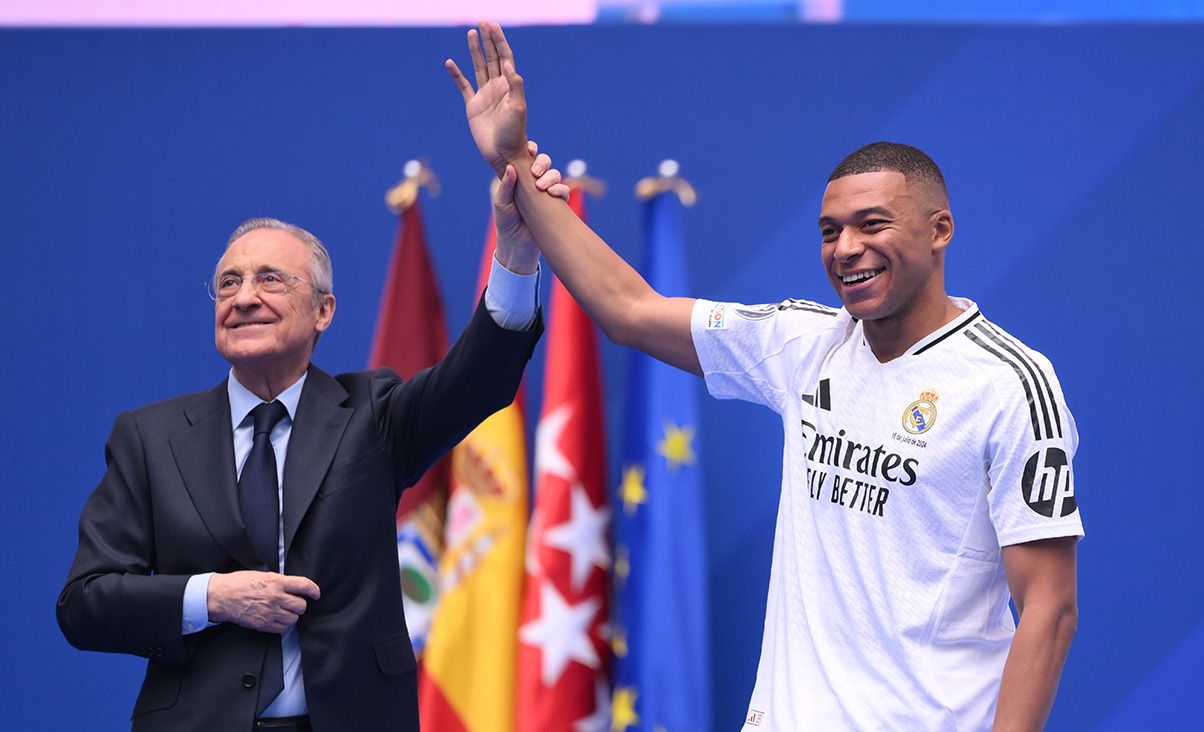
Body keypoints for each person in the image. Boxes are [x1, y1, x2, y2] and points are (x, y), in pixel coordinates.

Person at [446, 22, 1083, 731]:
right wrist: (515, 168)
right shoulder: (802, 343)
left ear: (940, 231)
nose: (846, 249)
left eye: (872, 224)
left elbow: (1049, 610)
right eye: (829, 231)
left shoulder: (1009, 384)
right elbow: (630, 309)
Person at [57, 152, 570, 732]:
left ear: (324, 310)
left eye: (270, 279)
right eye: (229, 283)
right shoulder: (150, 438)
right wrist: (211, 597)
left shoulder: (374, 415)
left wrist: (518, 251)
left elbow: (480, 377)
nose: (244, 297)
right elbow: (85, 604)